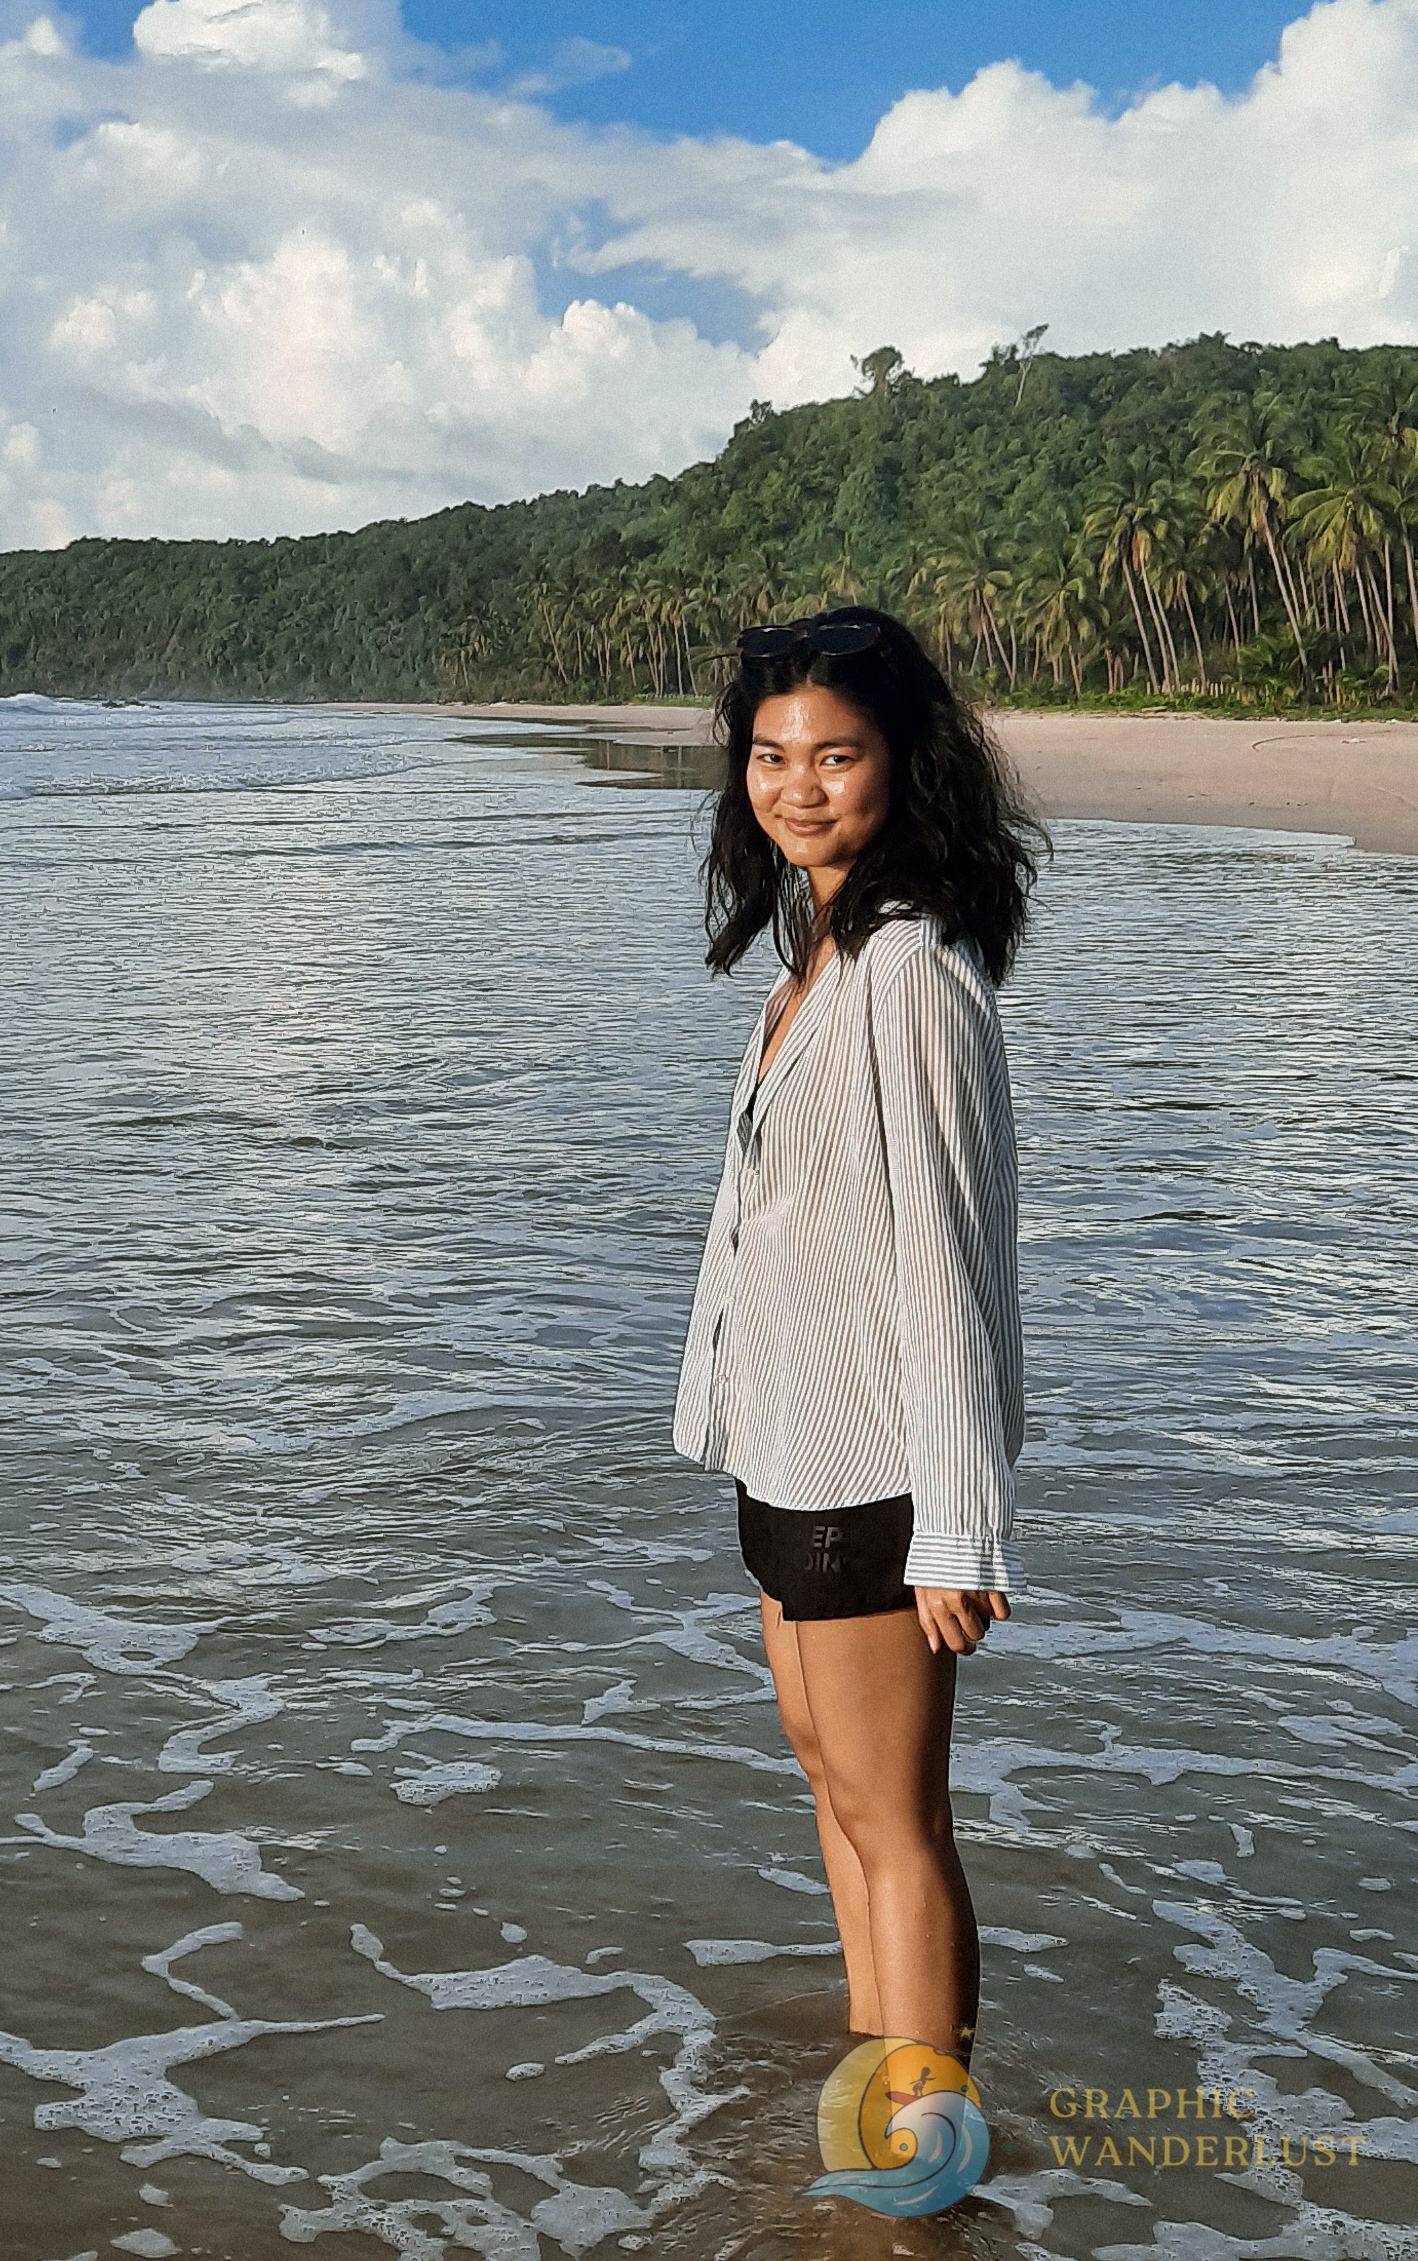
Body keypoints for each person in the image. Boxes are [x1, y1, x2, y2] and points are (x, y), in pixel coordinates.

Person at [672, 604, 1046, 2069]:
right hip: (791, 1446)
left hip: (877, 1471)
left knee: (897, 1819)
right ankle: (879, 2094)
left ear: (905, 763)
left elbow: (947, 1261)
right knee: (836, 1786)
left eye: (837, 754)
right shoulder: (808, 963)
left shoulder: (910, 973)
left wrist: (959, 1521)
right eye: (772, 757)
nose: (798, 786)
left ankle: (928, 2159)